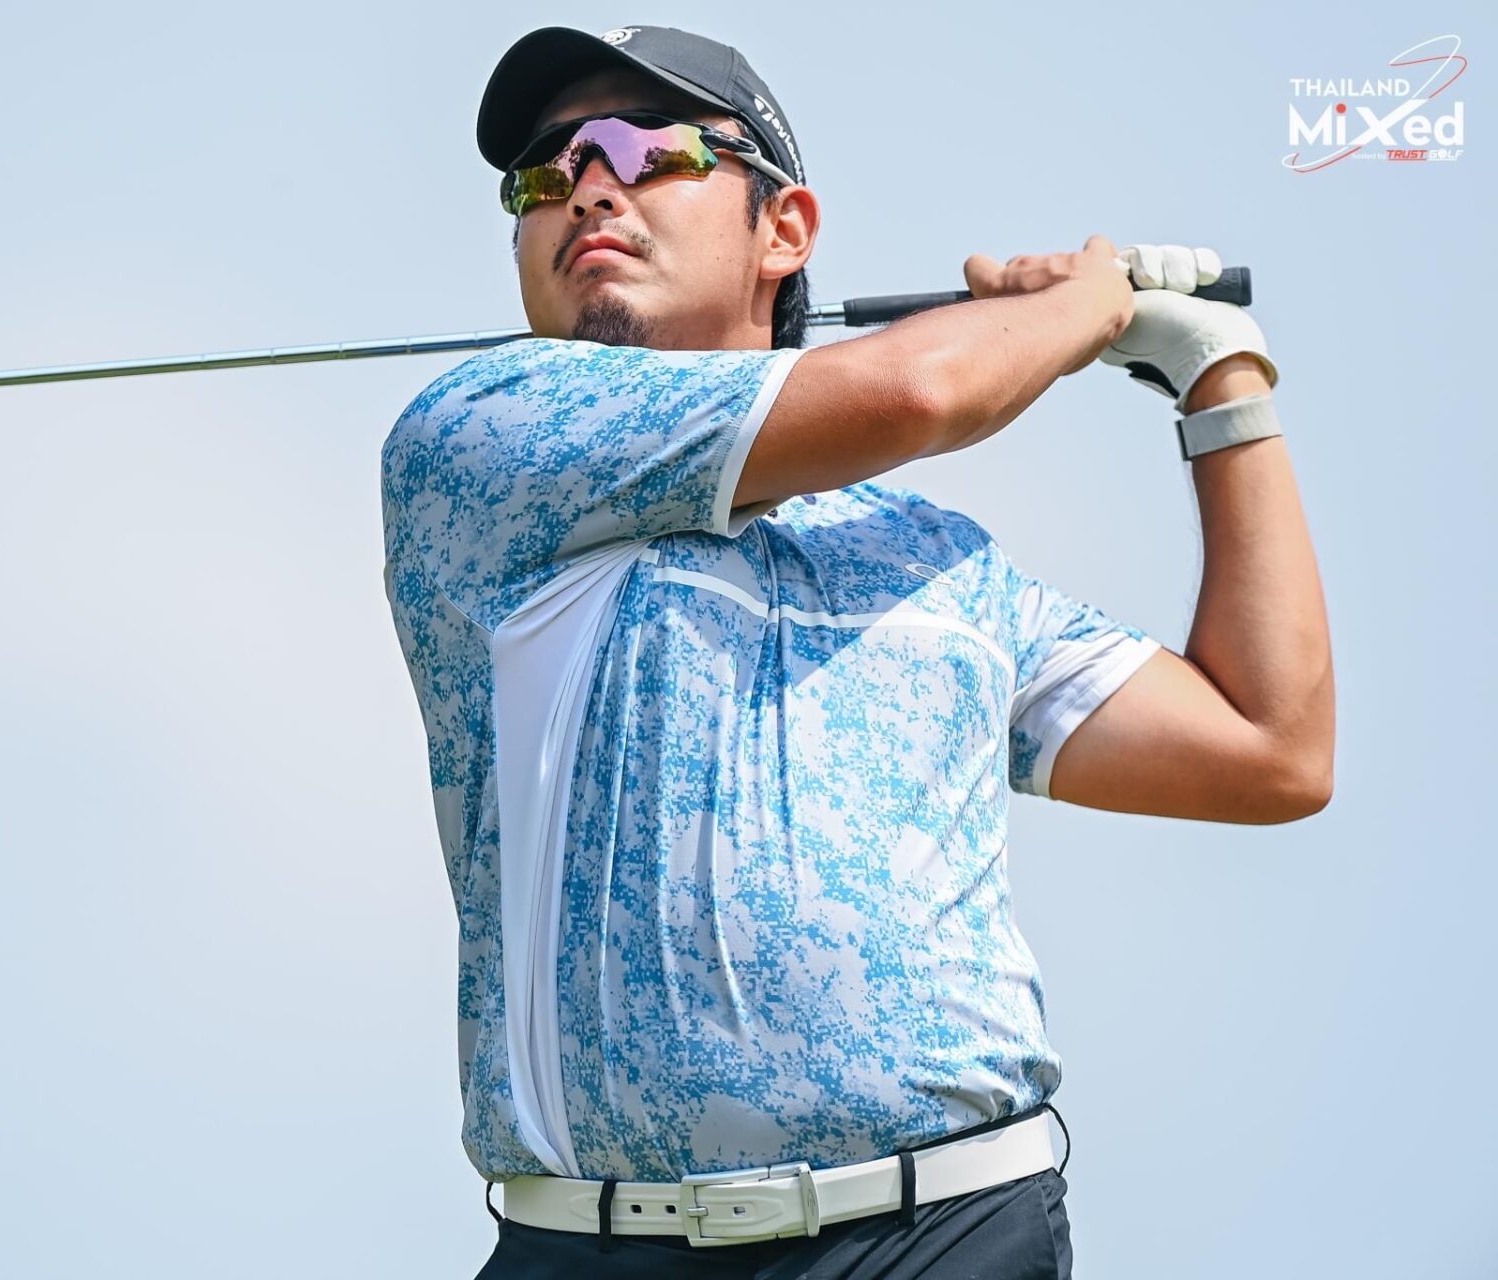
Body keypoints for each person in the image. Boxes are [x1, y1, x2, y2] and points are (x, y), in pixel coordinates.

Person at [379, 24, 1334, 1280]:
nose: (591, 185)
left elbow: (1269, 747)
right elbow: (920, 392)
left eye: (652, 150)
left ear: (785, 231)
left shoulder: (933, 558)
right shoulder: (484, 435)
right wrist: (1091, 303)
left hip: (950, 1231)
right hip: (595, 1248)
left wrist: (1217, 371)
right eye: (546, 174)